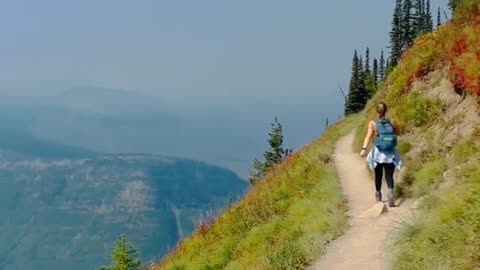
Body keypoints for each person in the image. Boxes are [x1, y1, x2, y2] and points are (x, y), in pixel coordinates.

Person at [360, 102, 402, 207]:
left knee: (378, 175)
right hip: (390, 152)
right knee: (389, 174)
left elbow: (368, 137)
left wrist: (364, 148)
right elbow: (398, 133)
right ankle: (391, 193)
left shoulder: (373, 124)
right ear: (386, 110)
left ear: (377, 111)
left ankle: (378, 194)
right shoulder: (392, 122)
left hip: (378, 153)